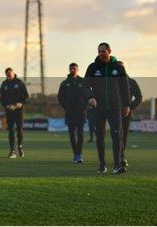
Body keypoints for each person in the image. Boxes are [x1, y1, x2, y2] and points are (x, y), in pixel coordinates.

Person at [85, 42, 131, 174]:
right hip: (98, 108)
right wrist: (90, 97)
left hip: (115, 107)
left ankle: (117, 165)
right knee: (100, 137)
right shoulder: (93, 68)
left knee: (117, 136)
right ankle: (102, 164)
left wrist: (127, 105)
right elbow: (86, 85)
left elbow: (124, 88)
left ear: (109, 51)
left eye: (103, 51)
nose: (101, 54)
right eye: (99, 51)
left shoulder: (118, 68)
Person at [57, 63, 91, 163]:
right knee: (72, 134)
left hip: (81, 112)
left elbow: (89, 94)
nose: (72, 69)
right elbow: (60, 97)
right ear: (69, 69)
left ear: (77, 69)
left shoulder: (83, 82)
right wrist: (66, 107)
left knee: (80, 133)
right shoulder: (65, 83)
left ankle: (79, 154)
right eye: (71, 68)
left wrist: (86, 106)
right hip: (70, 112)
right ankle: (75, 154)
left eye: (74, 68)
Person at [117, 61, 142, 168]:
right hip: (113, 112)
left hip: (126, 113)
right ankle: (118, 155)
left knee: (124, 136)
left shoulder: (131, 82)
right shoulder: (112, 81)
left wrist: (130, 107)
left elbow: (139, 96)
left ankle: (121, 156)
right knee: (116, 135)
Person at [0, 67, 29, 158]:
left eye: (10, 74)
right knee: (11, 130)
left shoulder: (19, 83)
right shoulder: (4, 84)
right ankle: (12, 150)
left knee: (19, 130)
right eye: (7, 74)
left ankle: (20, 146)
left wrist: (21, 103)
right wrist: (6, 105)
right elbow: (1, 98)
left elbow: (26, 96)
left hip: (18, 111)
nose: (9, 75)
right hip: (9, 111)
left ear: (13, 73)